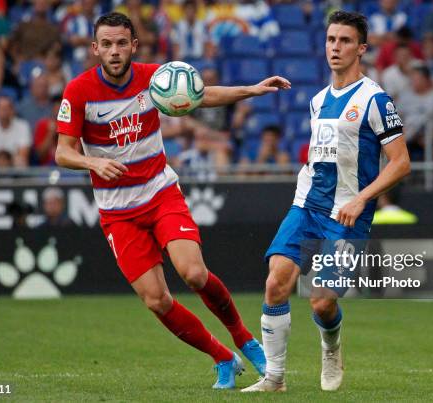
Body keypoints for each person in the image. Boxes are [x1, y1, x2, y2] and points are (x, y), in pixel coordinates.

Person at [54, 12, 291, 389]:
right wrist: (92, 160)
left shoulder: (155, 78)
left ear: (134, 46)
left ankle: (245, 339)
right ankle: (222, 357)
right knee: (156, 300)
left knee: (194, 273)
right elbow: (62, 153)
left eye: (121, 43)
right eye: (107, 44)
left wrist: (251, 89)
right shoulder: (79, 91)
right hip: (117, 212)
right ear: (95, 48)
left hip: (160, 194)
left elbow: (201, 95)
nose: (114, 52)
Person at [242, 11, 410, 392]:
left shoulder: (375, 100)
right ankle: (274, 378)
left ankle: (331, 346)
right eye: (331, 39)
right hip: (307, 206)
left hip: (348, 216)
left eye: (345, 41)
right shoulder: (318, 100)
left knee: (321, 301)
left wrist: (363, 199)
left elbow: (401, 163)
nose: (335, 47)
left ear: (362, 48)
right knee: (275, 285)